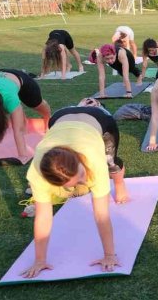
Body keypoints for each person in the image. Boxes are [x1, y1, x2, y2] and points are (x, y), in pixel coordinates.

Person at [21, 106, 130, 278]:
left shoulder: (94, 161)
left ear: (79, 161)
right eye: (77, 182)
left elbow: (101, 214)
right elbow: (43, 216)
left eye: (81, 175)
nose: (84, 181)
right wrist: (40, 260)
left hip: (99, 119)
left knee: (112, 163)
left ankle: (120, 183)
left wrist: (109, 255)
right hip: (60, 117)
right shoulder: (36, 174)